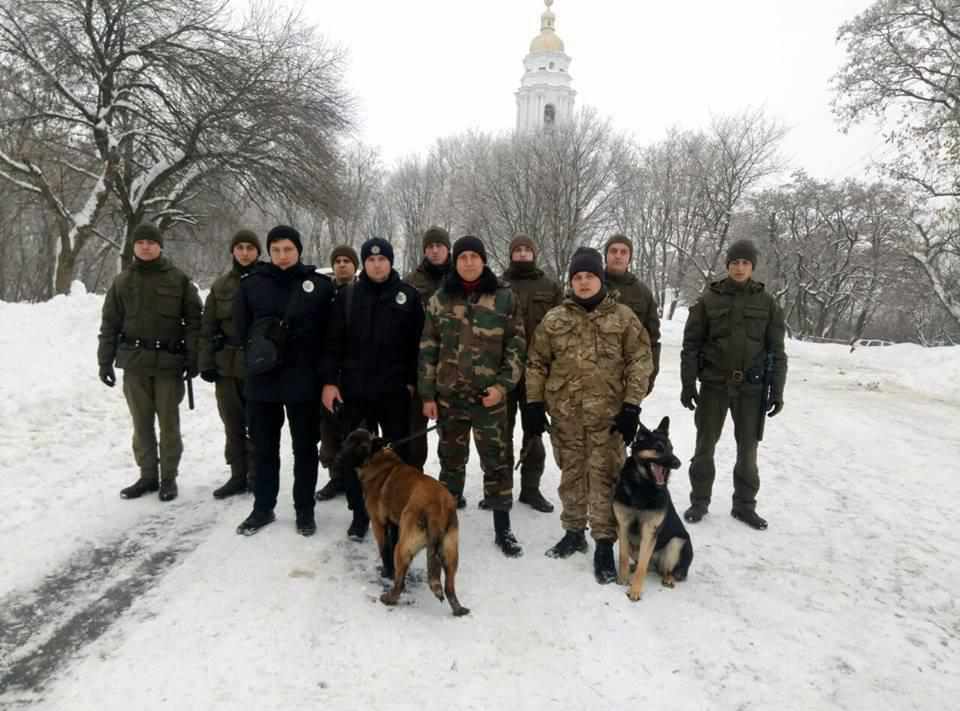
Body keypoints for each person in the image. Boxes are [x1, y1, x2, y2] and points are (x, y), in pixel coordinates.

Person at [525, 247, 653, 583]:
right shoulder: (554, 319)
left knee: (605, 477)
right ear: (571, 282)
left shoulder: (623, 318)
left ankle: (603, 542)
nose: (583, 283)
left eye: (590, 276)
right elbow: (537, 362)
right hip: (565, 416)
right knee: (571, 474)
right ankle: (573, 531)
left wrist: (632, 405)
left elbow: (640, 360)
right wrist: (534, 404)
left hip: (608, 419)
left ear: (600, 279)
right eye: (578, 277)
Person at [418, 235, 526, 557]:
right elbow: (428, 349)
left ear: (483, 260)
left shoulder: (504, 297)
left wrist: (502, 386)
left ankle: (503, 528)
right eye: (462, 257)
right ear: (456, 261)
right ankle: (443, 524)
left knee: (497, 463)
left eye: (474, 257)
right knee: (451, 462)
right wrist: (428, 395)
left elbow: (517, 346)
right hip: (450, 399)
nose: (468, 262)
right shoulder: (440, 298)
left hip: (489, 400)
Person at [233, 225, 335, 537]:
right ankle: (263, 507)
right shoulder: (251, 285)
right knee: (264, 448)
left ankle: (304, 510)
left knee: (305, 448)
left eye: (288, 249)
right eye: (276, 250)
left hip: (303, 380)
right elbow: (240, 332)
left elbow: (330, 338)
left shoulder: (318, 285)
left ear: (299, 250)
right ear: (269, 251)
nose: (282, 256)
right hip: (263, 381)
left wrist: (326, 378)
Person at [680, 239, 788, 531]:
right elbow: (691, 344)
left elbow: (777, 350)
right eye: (735, 263)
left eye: (745, 263)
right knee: (704, 448)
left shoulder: (767, 303)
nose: (740, 268)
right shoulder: (709, 300)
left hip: (751, 391)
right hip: (714, 385)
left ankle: (744, 506)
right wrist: (688, 383)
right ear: (727, 265)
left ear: (752, 267)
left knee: (748, 452)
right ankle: (699, 501)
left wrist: (777, 390)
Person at [322, 237, 424, 540]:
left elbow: (419, 345)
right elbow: (332, 344)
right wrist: (329, 382)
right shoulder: (349, 296)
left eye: (382, 260)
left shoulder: (408, 296)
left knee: (397, 456)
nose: (376, 265)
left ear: (390, 262)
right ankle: (359, 514)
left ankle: (395, 513)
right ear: (363, 264)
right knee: (356, 456)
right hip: (356, 392)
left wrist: (412, 383)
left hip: (394, 392)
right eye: (370, 260)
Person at [97, 222, 202, 502]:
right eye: (141, 242)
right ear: (134, 246)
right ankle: (147, 476)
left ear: (160, 246)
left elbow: (194, 322)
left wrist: (194, 358)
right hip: (135, 364)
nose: (146, 246)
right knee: (141, 424)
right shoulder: (122, 282)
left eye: (151, 242)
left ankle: (168, 477)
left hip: (168, 364)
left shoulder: (179, 280)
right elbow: (109, 325)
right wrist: (104, 362)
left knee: (169, 424)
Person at [497, 233, 561, 513]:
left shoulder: (550, 287)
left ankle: (531, 489)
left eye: (527, 249)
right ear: (511, 254)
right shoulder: (497, 285)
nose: (522, 253)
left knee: (534, 432)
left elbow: (562, 331)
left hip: (538, 374)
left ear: (534, 253)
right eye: (517, 249)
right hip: (503, 373)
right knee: (501, 433)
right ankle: (500, 488)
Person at [199, 229, 262, 499]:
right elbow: (207, 326)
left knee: (260, 425)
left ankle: (259, 476)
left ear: (258, 252)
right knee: (232, 423)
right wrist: (206, 363)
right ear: (233, 251)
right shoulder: (221, 286)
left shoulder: (268, 281)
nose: (245, 252)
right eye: (240, 248)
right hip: (227, 365)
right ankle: (238, 475)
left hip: (259, 365)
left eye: (250, 247)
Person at [403, 225, 452, 470]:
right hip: (419, 364)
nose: (434, 251)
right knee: (416, 430)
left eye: (439, 246)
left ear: (447, 248)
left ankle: (451, 482)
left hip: (452, 366)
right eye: (429, 247)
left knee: (451, 433)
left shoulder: (460, 277)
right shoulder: (412, 282)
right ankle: (415, 476)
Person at [315, 244, 359, 502]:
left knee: (356, 429)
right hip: (328, 370)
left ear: (355, 265)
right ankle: (336, 478)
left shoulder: (360, 292)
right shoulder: (323, 293)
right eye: (338, 261)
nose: (342, 264)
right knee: (329, 429)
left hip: (354, 370)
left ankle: (358, 479)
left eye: (347, 261)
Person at [603, 234, 662, 393]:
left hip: (628, 379)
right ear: (606, 255)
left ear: (629, 257)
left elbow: (653, 339)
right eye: (613, 251)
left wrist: (649, 377)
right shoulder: (591, 285)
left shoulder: (642, 293)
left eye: (624, 252)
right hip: (592, 378)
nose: (618, 256)